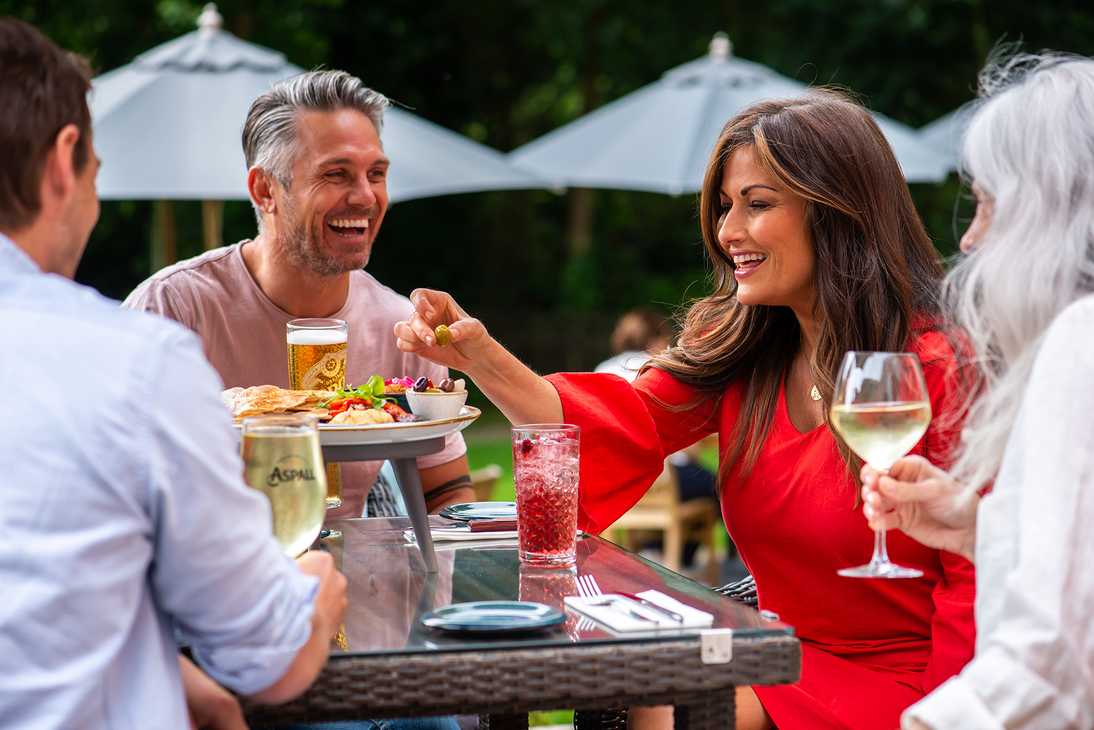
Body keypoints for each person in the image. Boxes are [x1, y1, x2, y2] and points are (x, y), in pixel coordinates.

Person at [393, 91, 977, 730]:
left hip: (915, 683)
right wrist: (477, 354)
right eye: (727, 207)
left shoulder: (938, 367)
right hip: (776, 651)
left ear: (837, 212)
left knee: (674, 698)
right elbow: (602, 422)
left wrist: (953, 714)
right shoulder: (746, 354)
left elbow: (977, 575)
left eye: (757, 205)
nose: (728, 233)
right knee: (642, 685)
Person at [0, 19, 346, 729]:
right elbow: (266, 658)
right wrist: (315, 588)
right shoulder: (132, 360)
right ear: (66, 160)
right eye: (97, 170)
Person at [860, 53, 1094, 729]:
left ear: (1052, 212)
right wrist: (981, 527)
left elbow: (1050, 666)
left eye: (989, 204)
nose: (969, 237)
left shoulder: (1081, 339)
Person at [123, 69, 472, 519]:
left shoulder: (400, 325)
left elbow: (448, 494)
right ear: (265, 189)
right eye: (337, 174)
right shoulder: (171, 310)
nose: (366, 196)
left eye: (376, 173)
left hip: (352, 581)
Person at [595, 308, 720, 566]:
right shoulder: (660, 368)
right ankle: (715, 561)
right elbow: (689, 446)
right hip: (662, 480)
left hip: (616, 482)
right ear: (655, 340)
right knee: (721, 485)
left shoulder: (602, 369)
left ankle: (654, 552)